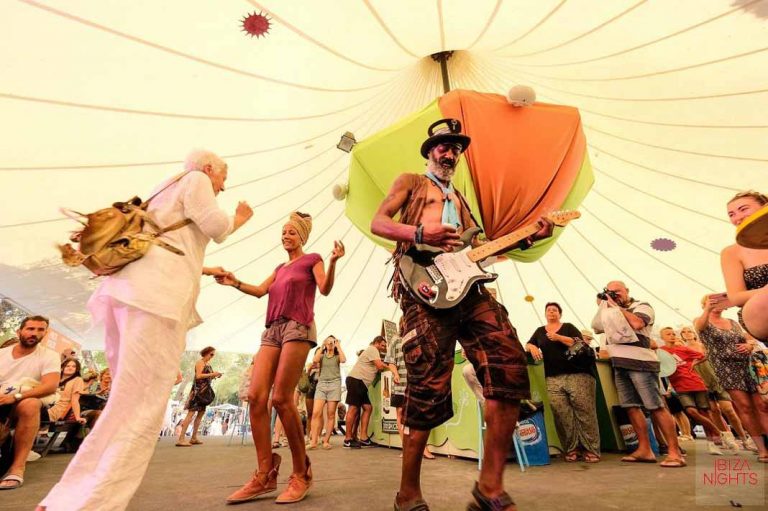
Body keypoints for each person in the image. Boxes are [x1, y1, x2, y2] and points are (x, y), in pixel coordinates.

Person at [37, 149, 254, 510]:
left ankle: (67, 497)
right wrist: (240, 219)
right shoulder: (196, 179)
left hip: (125, 294)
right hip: (155, 302)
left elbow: (164, 244)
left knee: (125, 401)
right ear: (209, 168)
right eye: (223, 176)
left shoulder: (162, 188)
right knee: (142, 408)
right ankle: (93, 503)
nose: (224, 184)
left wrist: (205, 267)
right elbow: (217, 228)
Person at [370, 118, 554, 510]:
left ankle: (489, 489)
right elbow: (379, 222)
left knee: (508, 365)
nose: (449, 151)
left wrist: (529, 236)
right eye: (442, 146)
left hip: (469, 291)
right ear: (429, 151)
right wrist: (421, 235)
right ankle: (408, 493)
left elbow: (483, 249)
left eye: (455, 147)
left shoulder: (461, 199)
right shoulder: (411, 182)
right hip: (425, 289)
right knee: (426, 387)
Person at [217, 211, 344, 504]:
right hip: (272, 330)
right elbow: (261, 290)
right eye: (283, 232)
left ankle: (301, 473)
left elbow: (324, 288)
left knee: (282, 399)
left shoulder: (312, 259)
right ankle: (264, 475)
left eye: (291, 232)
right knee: (256, 396)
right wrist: (235, 282)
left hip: (297, 326)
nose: (285, 236)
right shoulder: (279, 267)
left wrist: (334, 261)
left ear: (302, 236)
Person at [592, 281, 685, 468]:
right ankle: (645, 449)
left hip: (642, 363)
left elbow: (636, 322)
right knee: (631, 407)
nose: (614, 295)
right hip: (619, 363)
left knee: (655, 406)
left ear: (627, 291)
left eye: (617, 291)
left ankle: (674, 452)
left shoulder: (642, 306)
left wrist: (616, 307)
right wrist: (604, 306)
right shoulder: (610, 310)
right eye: (610, 292)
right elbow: (596, 326)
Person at [694, 293, 768, 461]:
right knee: (744, 407)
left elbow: (751, 339)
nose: (717, 303)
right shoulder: (701, 320)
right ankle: (762, 449)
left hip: (748, 366)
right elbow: (699, 327)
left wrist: (749, 345)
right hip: (726, 369)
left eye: (720, 300)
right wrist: (708, 308)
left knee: (762, 405)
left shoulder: (733, 322)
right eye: (712, 300)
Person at [526, 302, 600, 462]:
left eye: (555, 310)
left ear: (560, 314)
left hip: (579, 374)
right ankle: (571, 449)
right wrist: (531, 346)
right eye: (548, 310)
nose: (551, 312)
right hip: (552, 377)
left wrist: (558, 337)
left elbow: (579, 343)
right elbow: (529, 343)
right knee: (561, 414)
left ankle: (591, 449)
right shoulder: (540, 331)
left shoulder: (568, 326)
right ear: (545, 313)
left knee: (584, 412)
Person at [0, 316, 59, 490]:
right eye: (31, 329)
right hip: (3, 399)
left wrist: (17, 397)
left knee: (30, 404)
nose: (35, 333)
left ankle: (17, 468)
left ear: (45, 333)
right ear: (20, 331)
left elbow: (50, 386)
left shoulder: (49, 356)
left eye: (41, 330)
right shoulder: (3, 354)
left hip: (27, 400)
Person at [658, 327, 724, 455]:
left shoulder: (683, 349)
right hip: (680, 386)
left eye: (673, 334)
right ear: (662, 337)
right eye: (668, 334)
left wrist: (694, 363)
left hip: (696, 383)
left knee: (704, 412)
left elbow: (703, 356)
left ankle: (712, 443)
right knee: (691, 411)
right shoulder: (661, 351)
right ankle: (719, 431)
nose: (671, 336)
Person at [680, 325, 746, 450]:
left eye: (689, 331)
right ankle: (728, 439)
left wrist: (697, 361)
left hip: (716, 379)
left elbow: (712, 356)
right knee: (714, 411)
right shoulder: (682, 349)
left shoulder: (703, 344)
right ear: (682, 335)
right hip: (700, 382)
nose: (687, 333)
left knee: (729, 410)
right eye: (684, 332)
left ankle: (744, 438)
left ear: (694, 334)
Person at [721, 190, 768, 341]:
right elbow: (736, 297)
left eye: (743, 209)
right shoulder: (731, 253)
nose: (737, 217)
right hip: (760, 311)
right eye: (731, 214)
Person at [385, 332, 435, 460]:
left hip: (415, 383)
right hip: (400, 384)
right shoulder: (396, 340)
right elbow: (390, 361)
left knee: (418, 414)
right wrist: (395, 374)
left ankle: (422, 448)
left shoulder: (417, 338)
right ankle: (406, 448)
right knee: (401, 414)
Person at [343, 336, 388, 449]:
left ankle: (363, 438)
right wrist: (391, 368)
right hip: (356, 380)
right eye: (382, 345)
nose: (384, 348)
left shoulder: (372, 351)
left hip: (361, 383)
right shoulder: (373, 349)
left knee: (368, 408)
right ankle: (347, 439)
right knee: (353, 408)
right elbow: (379, 366)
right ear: (376, 343)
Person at [177, 346, 221, 446]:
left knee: (200, 414)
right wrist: (212, 374)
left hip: (204, 393)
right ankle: (181, 438)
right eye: (211, 354)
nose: (212, 356)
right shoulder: (200, 363)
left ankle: (194, 437)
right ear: (206, 353)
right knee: (191, 414)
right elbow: (198, 376)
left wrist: (214, 375)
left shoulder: (207, 364)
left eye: (213, 355)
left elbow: (206, 377)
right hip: (197, 392)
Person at [309, 336, 346, 450]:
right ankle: (313, 441)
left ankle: (326, 441)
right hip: (322, 384)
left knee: (330, 414)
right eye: (328, 341)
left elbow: (343, 360)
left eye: (332, 341)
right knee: (316, 413)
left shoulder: (336, 356)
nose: (330, 343)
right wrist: (322, 345)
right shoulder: (321, 356)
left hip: (334, 384)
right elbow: (314, 360)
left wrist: (338, 345)